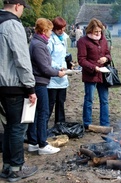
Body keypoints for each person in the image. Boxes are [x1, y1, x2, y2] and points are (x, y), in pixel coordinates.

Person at [0, 0, 38, 181]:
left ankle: (7, 166)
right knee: (17, 128)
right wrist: (30, 87)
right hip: (14, 86)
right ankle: (16, 169)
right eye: (23, 8)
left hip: (1, 86)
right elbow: (22, 59)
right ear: (17, 5)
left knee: (8, 128)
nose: (22, 11)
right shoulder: (13, 25)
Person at [27, 18, 66, 155]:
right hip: (39, 82)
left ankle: (33, 142)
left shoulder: (38, 42)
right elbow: (44, 68)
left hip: (39, 81)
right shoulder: (39, 45)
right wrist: (58, 73)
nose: (51, 32)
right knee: (42, 113)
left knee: (36, 114)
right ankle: (42, 144)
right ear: (44, 31)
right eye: (50, 30)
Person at [77, 18, 112, 129]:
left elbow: (108, 54)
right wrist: (93, 67)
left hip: (103, 74)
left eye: (100, 31)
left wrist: (105, 59)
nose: (98, 33)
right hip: (90, 74)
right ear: (90, 30)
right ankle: (87, 123)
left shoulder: (104, 40)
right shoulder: (83, 41)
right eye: (96, 31)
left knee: (104, 100)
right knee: (89, 99)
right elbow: (81, 59)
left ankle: (105, 123)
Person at [47, 17, 69, 123]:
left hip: (63, 76)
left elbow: (64, 54)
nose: (62, 31)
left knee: (61, 102)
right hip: (52, 76)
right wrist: (58, 67)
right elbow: (47, 59)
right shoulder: (50, 40)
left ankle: (60, 124)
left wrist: (69, 63)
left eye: (63, 28)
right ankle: (44, 126)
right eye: (59, 29)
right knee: (50, 102)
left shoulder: (64, 38)